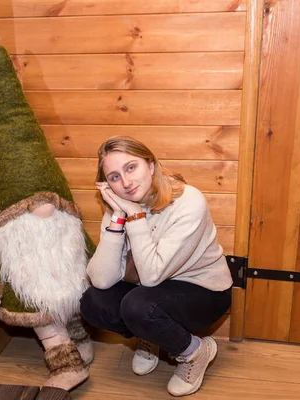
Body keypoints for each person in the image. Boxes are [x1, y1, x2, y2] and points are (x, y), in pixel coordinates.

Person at [80, 136, 233, 397]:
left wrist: (136, 216)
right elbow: (102, 280)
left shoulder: (188, 202)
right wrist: (117, 218)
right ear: (107, 184)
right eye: (114, 177)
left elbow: (151, 276)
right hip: (150, 289)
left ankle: (195, 352)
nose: (126, 183)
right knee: (92, 303)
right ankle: (152, 335)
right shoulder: (119, 206)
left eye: (131, 167)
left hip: (204, 291)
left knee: (138, 306)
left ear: (150, 165)